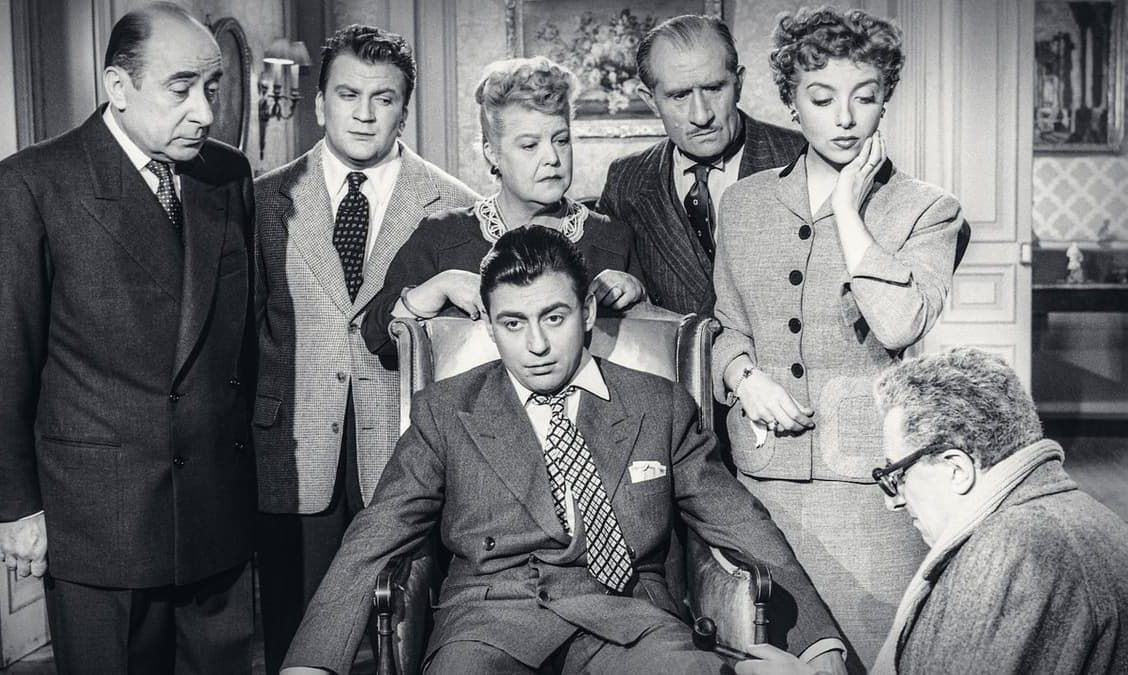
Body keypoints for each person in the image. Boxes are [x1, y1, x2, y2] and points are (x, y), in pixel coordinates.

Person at [281, 227, 846, 674]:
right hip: (487, 622)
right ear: (490, 326)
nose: (537, 345)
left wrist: (819, 645)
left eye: (554, 318)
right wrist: (311, 663)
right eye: (513, 323)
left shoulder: (659, 404)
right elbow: (378, 534)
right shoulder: (446, 410)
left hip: (631, 618)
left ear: (588, 312)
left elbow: (738, 521)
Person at [0, 3, 255, 673]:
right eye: (181, 89)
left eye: (212, 87)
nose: (205, 111)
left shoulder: (227, 175)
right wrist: (16, 509)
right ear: (119, 86)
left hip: (216, 514)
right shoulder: (29, 185)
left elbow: (244, 348)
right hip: (99, 523)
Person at [711, 8, 966, 670]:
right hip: (761, 483)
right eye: (822, 99)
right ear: (792, 103)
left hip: (871, 489)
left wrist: (849, 212)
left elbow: (899, 322)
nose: (845, 118)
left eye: (865, 97)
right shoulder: (742, 204)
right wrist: (743, 376)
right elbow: (727, 323)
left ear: (886, 100)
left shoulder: (927, 208)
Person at [252, 24, 478, 674]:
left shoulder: (454, 204)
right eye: (348, 94)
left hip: (408, 453)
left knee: (409, 637)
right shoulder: (264, 200)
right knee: (297, 640)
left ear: (404, 108)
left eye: (383, 98)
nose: (364, 113)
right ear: (320, 102)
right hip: (292, 453)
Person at [738, 346, 1128, 675]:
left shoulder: (1011, 555)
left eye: (897, 474)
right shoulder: (1081, 516)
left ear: (956, 469)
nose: (893, 500)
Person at [361, 56, 646, 360]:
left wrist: (637, 295)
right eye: (530, 145)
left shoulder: (612, 238)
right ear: (492, 153)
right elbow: (378, 340)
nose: (552, 158)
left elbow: (649, 353)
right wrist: (439, 287)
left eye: (561, 140)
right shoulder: (443, 236)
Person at [597, 14, 804, 315]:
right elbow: (603, 295)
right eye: (679, 95)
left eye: (714, 88)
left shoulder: (803, 158)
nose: (701, 116)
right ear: (650, 100)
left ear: (739, 83)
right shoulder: (626, 180)